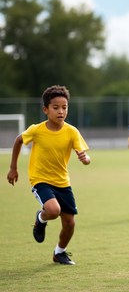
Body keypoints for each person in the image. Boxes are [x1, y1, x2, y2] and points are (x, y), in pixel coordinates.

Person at [7, 85, 91, 265]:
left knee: (70, 224)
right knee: (53, 210)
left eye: (64, 107)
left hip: (62, 182)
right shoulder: (37, 130)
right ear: (45, 109)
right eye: (56, 107)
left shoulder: (71, 131)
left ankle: (59, 252)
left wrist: (85, 159)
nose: (61, 111)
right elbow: (18, 140)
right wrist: (13, 168)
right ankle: (41, 218)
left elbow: (85, 156)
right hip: (40, 180)